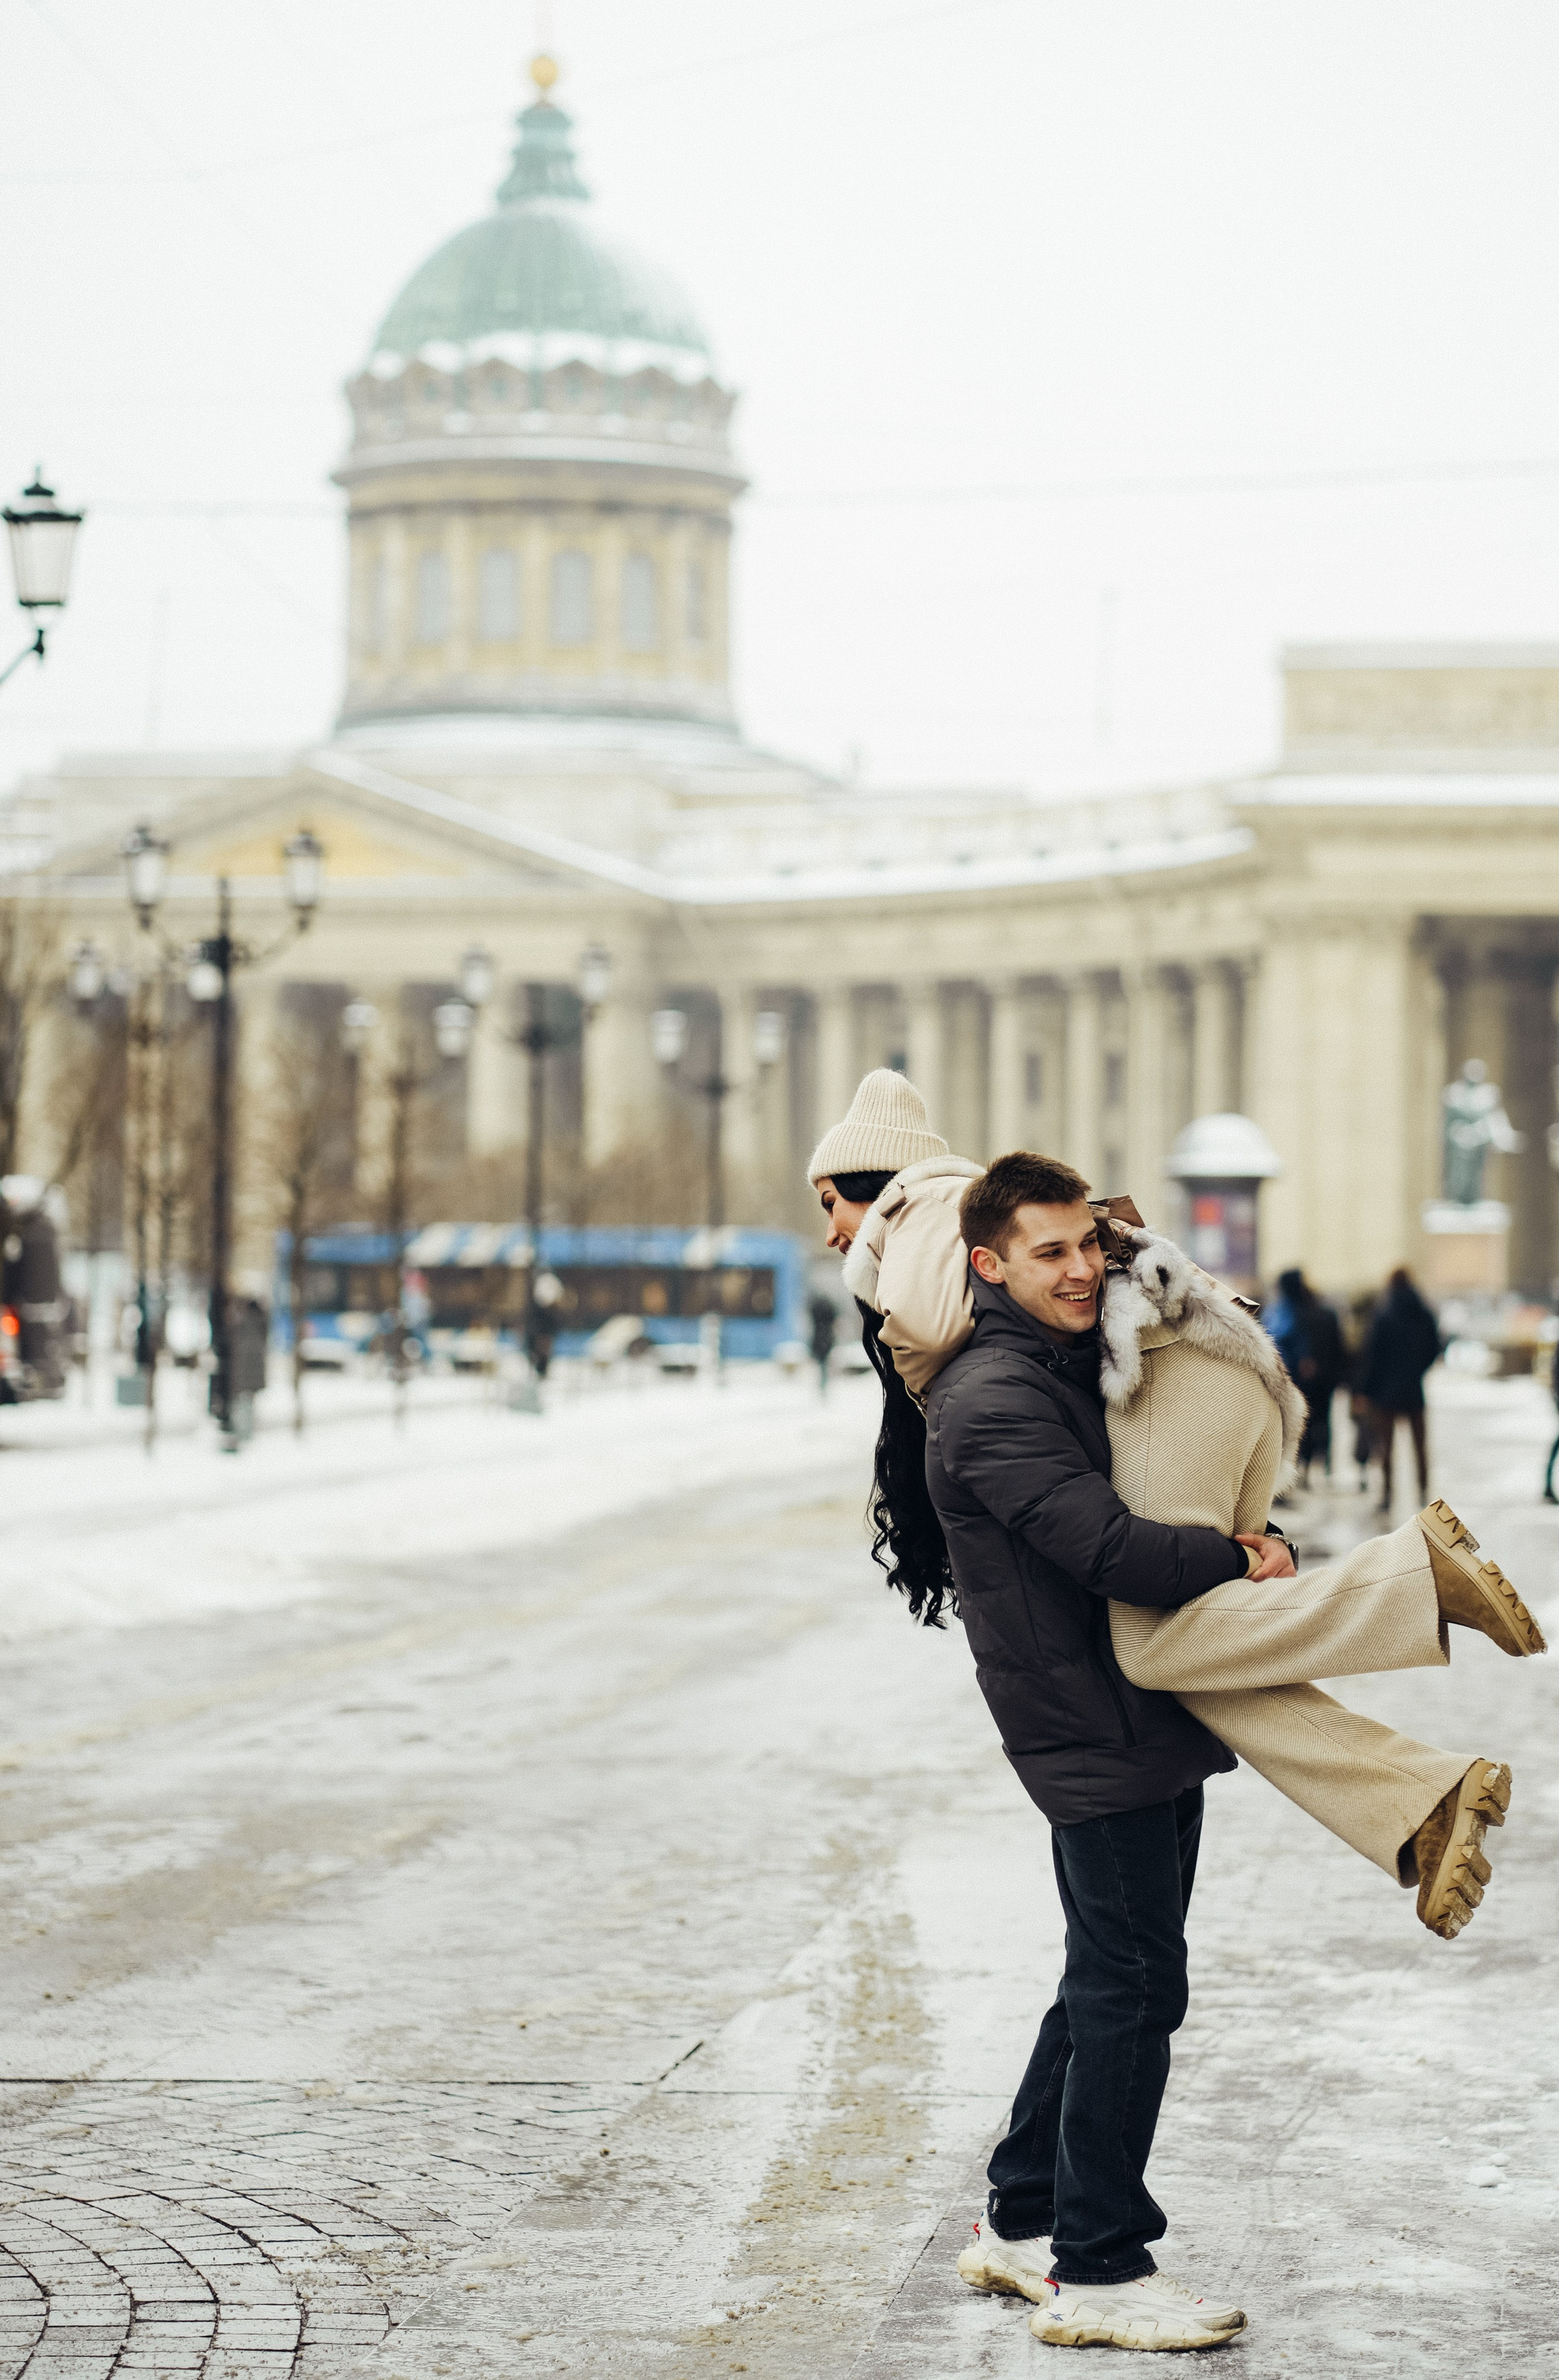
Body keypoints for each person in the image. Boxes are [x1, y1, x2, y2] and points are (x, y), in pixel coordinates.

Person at [806, 1075, 1540, 2353]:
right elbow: (1111, 1551)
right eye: (1052, 1252)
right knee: (1134, 1986)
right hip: (1090, 1723)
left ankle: (1022, 2217)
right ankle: (1098, 2268)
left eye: (1089, 1241)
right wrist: (1236, 1556)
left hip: (1114, 1711)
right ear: (983, 1262)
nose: (1084, 1266)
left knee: (1103, 1972)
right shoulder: (990, 1398)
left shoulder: (1042, 1360)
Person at [1358, 1267, 1443, 1512]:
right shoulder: (1423, 1312)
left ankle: (1387, 1494)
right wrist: (1418, 1370)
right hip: (1414, 1390)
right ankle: (1423, 1491)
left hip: (1386, 1392)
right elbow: (1435, 1347)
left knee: (1387, 1447)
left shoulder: (1383, 1314)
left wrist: (1366, 1389)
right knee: (1420, 1446)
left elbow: (1372, 1355)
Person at [1267, 1266, 1346, 1484]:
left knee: (1296, 1425)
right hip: (1320, 1380)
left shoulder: (1283, 1311)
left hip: (1293, 1380)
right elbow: (1338, 1348)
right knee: (1321, 1421)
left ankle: (1301, 1467)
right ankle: (1321, 1464)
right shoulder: (1322, 1311)